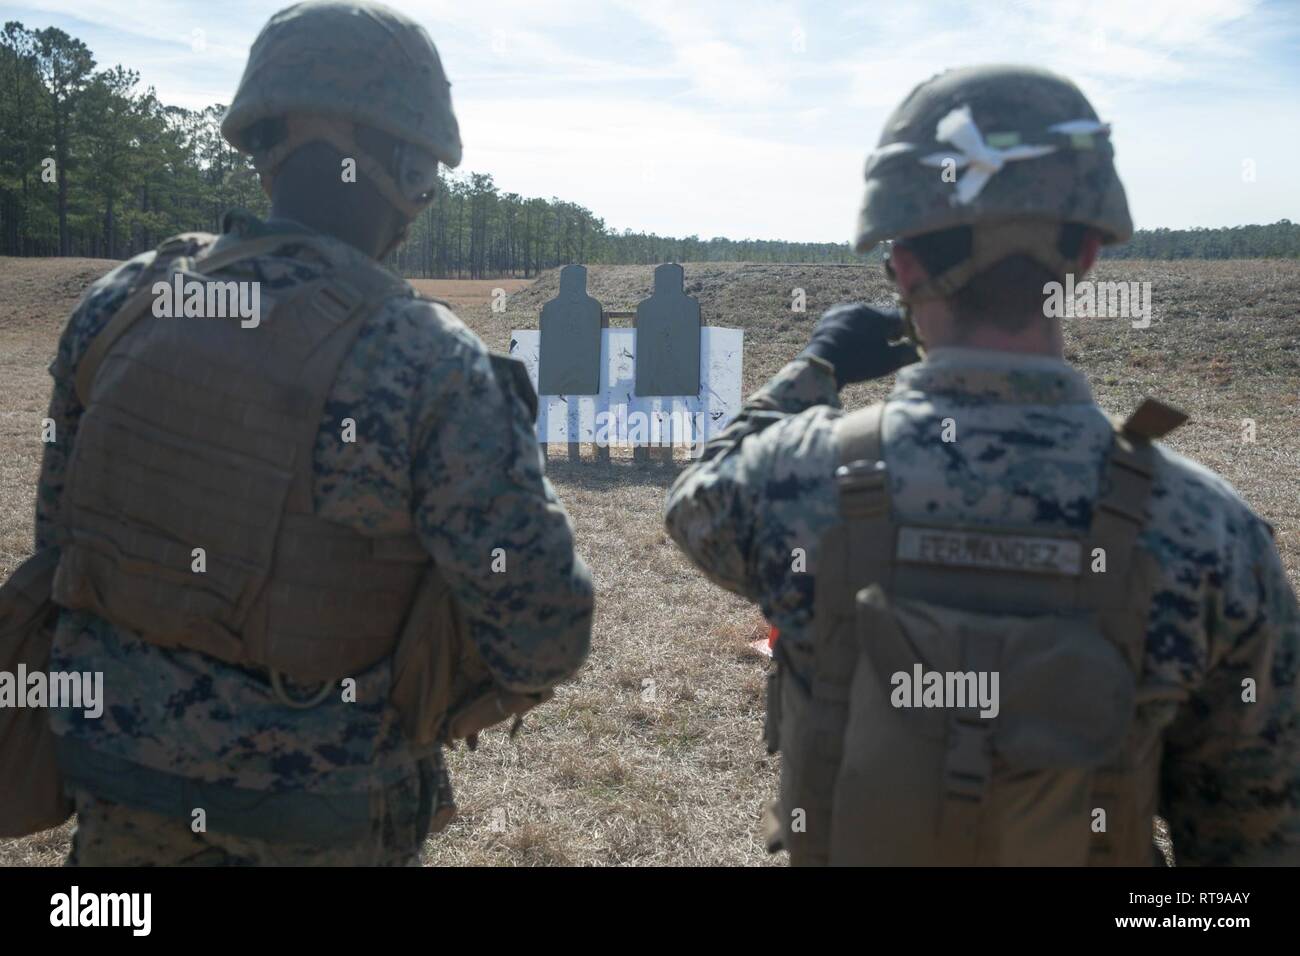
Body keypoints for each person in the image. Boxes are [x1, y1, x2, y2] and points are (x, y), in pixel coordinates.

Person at [664, 64, 1298, 866]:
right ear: (1089, 254)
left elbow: (693, 494)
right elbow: (1254, 847)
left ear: (900, 264)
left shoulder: (796, 477)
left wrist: (816, 365)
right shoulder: (1211, 530)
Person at [36, 0, 592, 865]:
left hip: (117, 804)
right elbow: (546, 633)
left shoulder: (127, 302)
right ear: (402, 164)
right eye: (424, 179)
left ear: (265, 153)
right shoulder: (427, 358)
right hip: (324, 825)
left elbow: (61, 544)